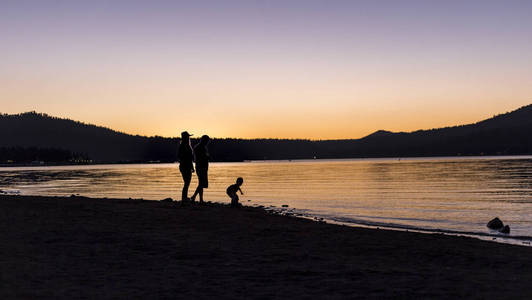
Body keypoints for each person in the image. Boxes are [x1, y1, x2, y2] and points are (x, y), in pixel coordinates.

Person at [191, 135, 210, 203]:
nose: (208, 142)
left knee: (201, 184)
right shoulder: (199, 147)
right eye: (207, 141)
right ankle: (195, 197)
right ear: (204, 140)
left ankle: (198, 199)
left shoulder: (201, 147)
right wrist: (207, 157)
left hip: (202, 167)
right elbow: (200, 157)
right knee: (201, 183)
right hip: (201, 167)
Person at [178, 131, 194, 202]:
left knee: (187, 183)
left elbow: (190, 158)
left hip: (187, 166)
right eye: (187, 136)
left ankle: (184, 197)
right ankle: (184, 198)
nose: (188, 138)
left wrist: (192, 167)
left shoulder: (187, 146)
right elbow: (180, 157)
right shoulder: (182, 146)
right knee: (187, 182)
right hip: (184, 166)